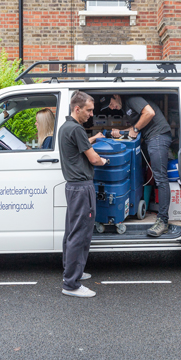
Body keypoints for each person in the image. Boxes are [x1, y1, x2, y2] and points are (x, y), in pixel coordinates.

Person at [100, 94, 172, 237]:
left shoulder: (132, 100)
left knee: (160, 179)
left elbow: (149, 113)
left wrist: (136, 129)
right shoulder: (126, 107)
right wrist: (120, 132)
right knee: (151, 176)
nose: (111, 107)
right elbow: (134, 128)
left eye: (111, 103)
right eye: (109, 107)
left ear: (116, 96)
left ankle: (163, 221)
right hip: (151, 138)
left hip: (158, 136)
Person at [58, 91, 106, 298]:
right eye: (88, 110)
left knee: (71, 232)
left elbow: (81, 145)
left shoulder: (66, 127)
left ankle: (70, 272)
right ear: (77, 109)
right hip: (82, 188)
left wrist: (93, 138)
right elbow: (94, 159)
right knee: (80, 234)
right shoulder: (76, 129)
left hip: (73, 187)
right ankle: (71, 285)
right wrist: (104, 161)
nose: (91, 114)